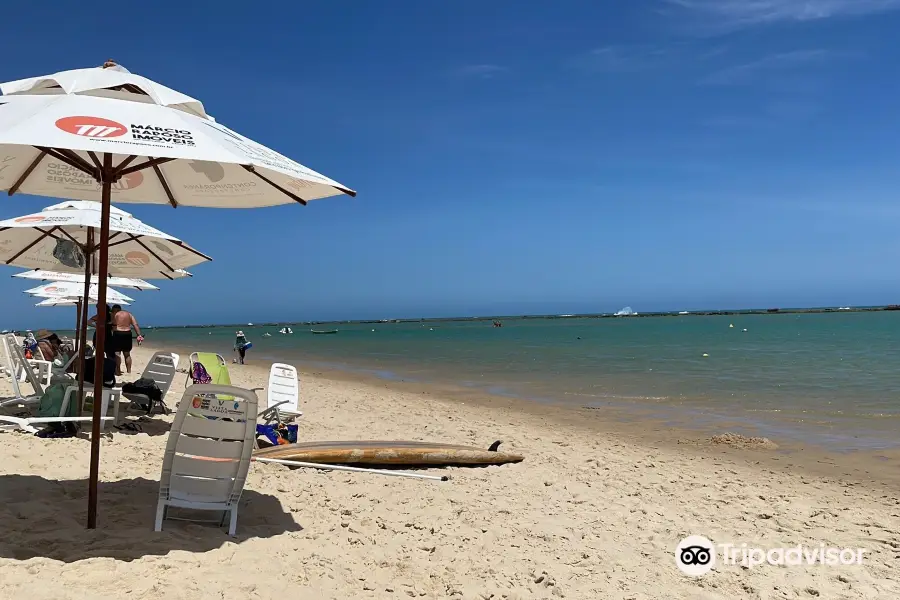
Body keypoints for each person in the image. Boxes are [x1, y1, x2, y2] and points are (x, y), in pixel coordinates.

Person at [111, 304, 142, 375]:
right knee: (127, 354)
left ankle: (118, 371)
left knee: (117, 353)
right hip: (127, 333)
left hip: (118, 333)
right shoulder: (129, 314)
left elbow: (113, 324)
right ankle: (129, 371)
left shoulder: (115, 315)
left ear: (114, 310)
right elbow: (135, 325)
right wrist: (139, 335)